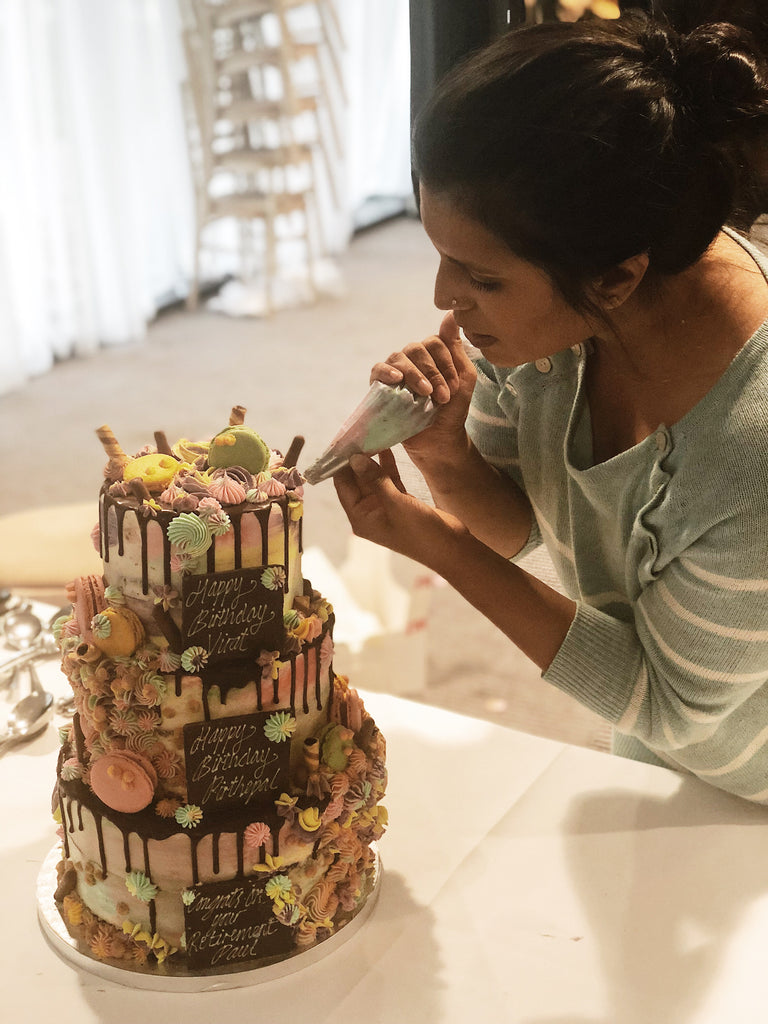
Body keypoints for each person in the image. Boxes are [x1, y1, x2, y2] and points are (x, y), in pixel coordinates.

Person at [332, 12, 768, 802]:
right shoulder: (550, 326)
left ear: (616, 278)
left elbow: (672, 708)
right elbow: (526, 527)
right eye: (441, 258)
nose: (445, 300)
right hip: (658, 754)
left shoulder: (751, 455)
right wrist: (447, 455)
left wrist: (437, 545)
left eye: (482, 277)